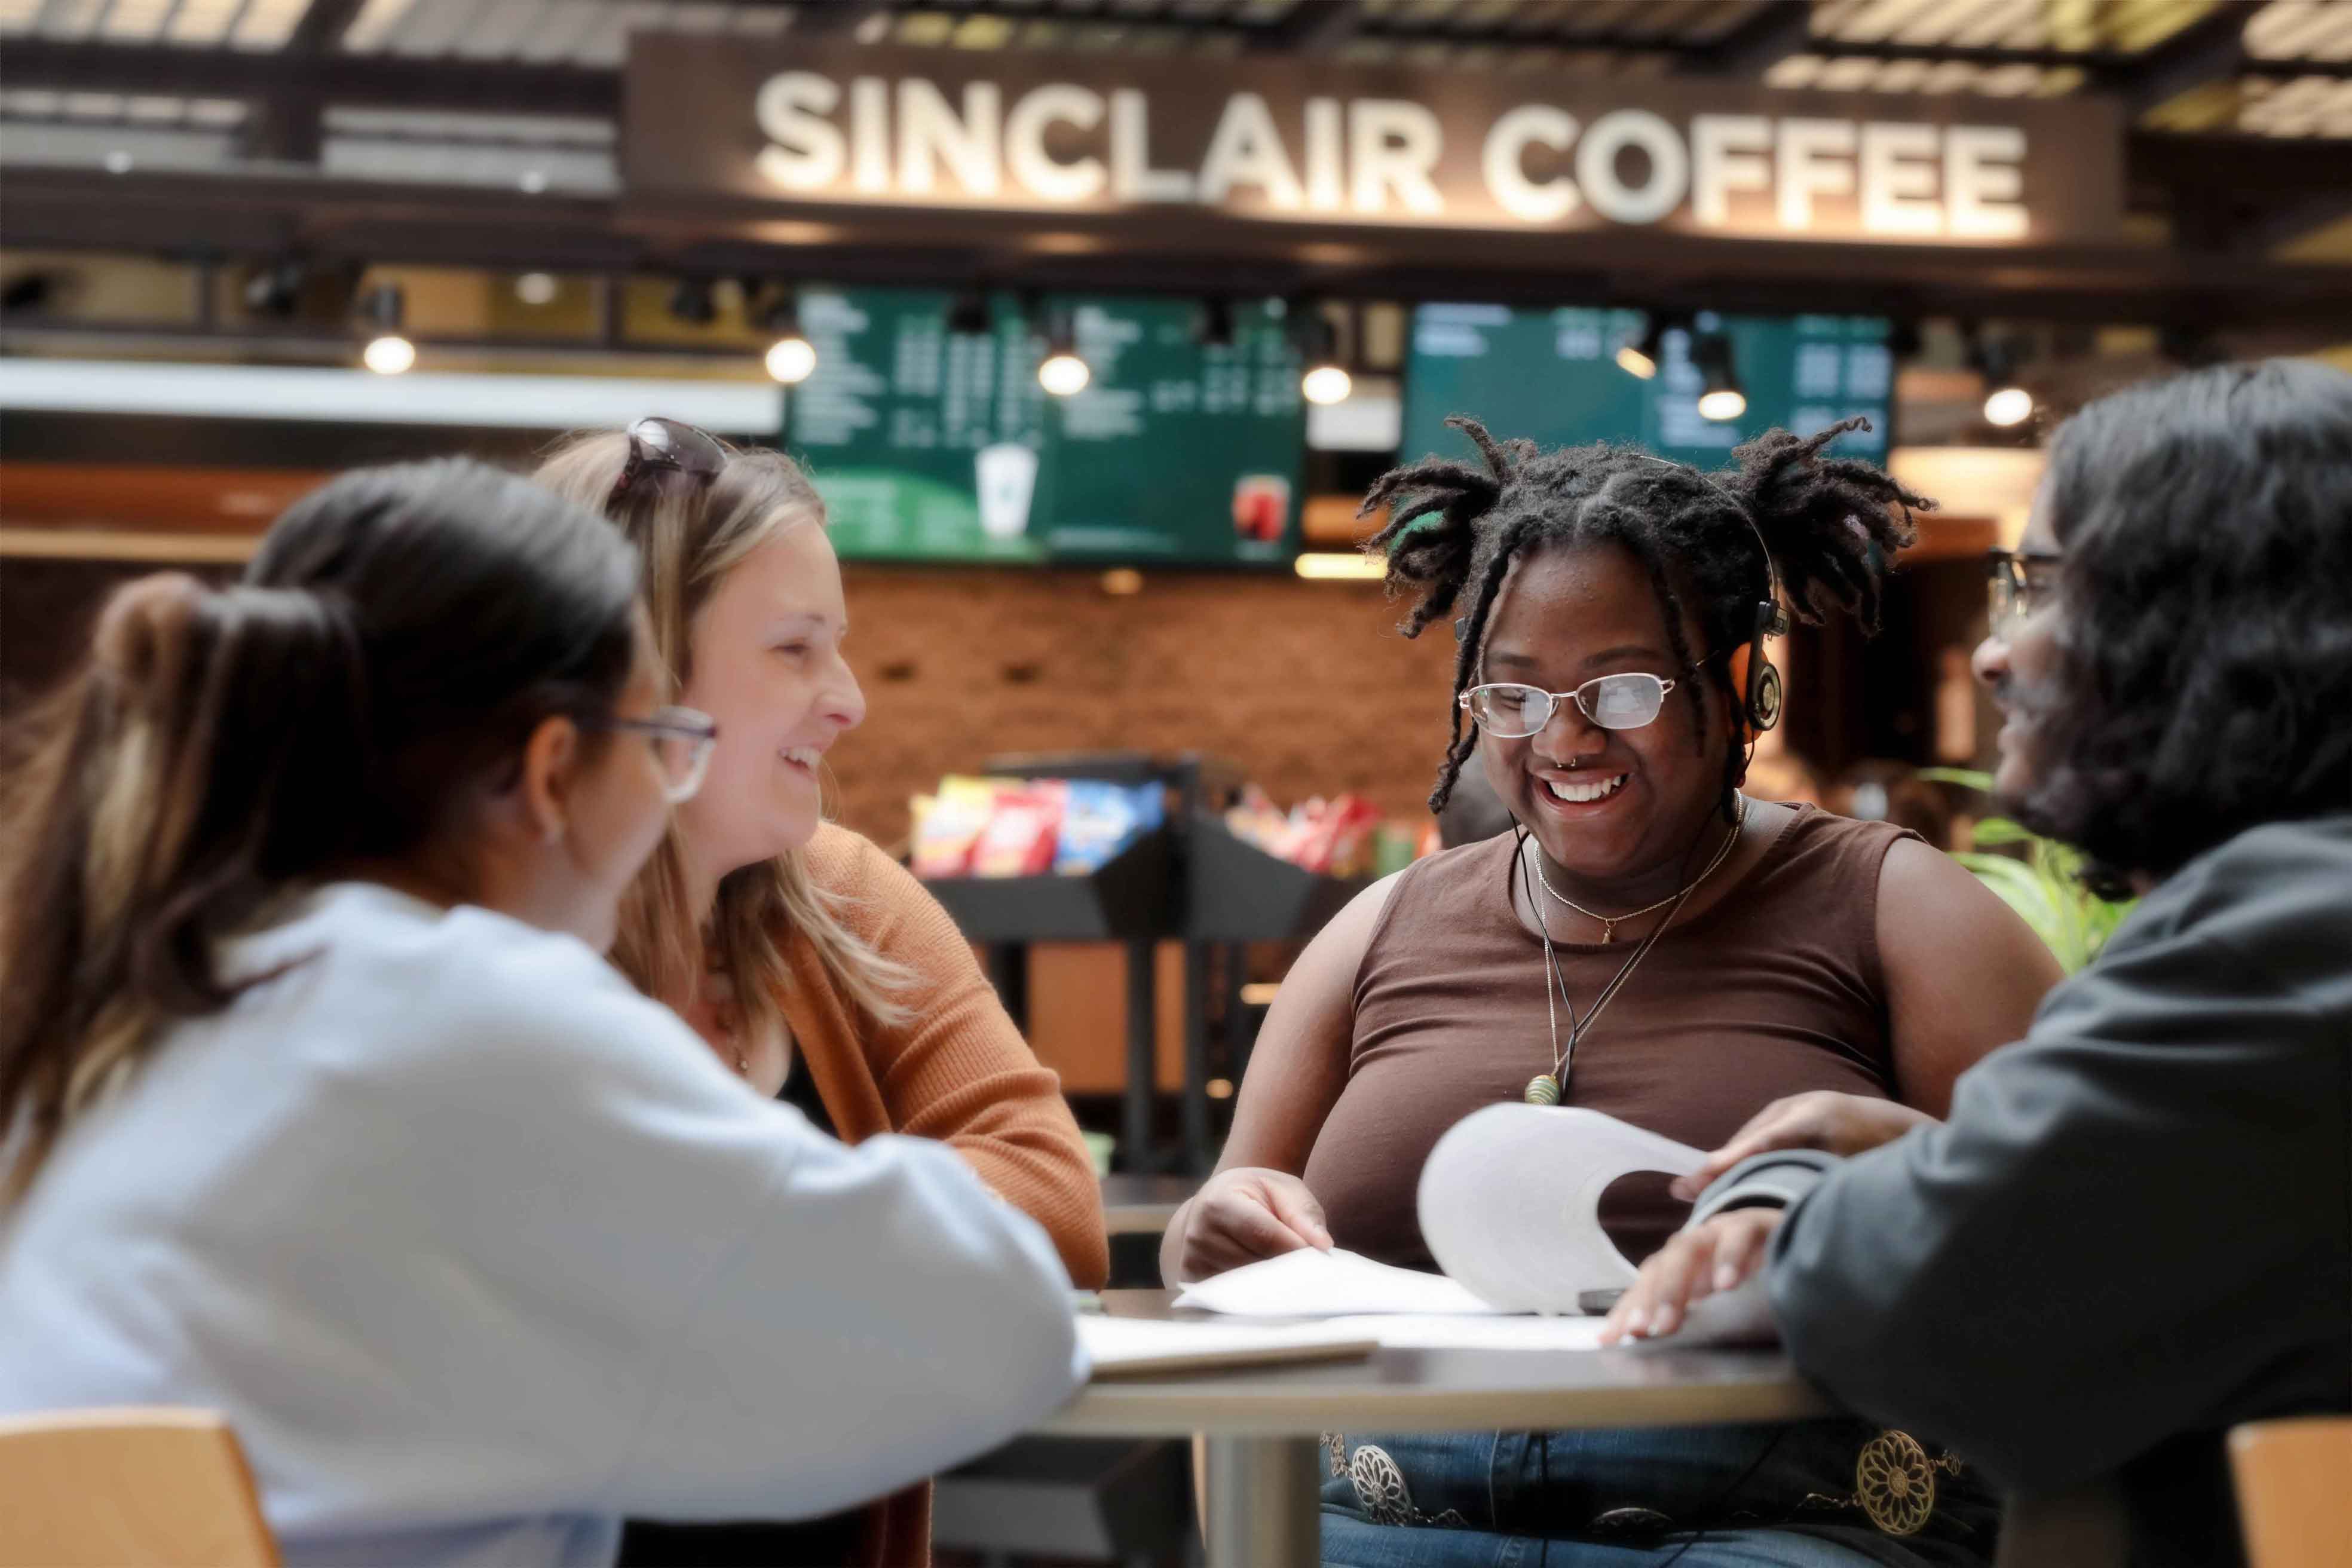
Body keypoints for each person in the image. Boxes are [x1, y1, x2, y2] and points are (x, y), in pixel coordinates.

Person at [0, 461, 1084, 1568]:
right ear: (553, 771)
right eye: (663, 745)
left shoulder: (143, 999)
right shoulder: (466, 1010)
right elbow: (1004, 1328)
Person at [1163, 418, 2064, 1566]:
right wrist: (1215, 1232)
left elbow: (2069, 1259)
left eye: (1623, 689)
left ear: (1743, 680)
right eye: (1514, 696)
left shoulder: (1900, 913)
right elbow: (1228, 1235)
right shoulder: (1375, 934)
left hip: (1770, 1519)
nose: (1567, 738)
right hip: (1384, 1521)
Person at [1605, 359, 2352, 1568]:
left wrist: (1782, 1192)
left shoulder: (2288, 936)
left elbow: (1935, 1309)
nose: (1995, 658)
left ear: (2209, 618)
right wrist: (1950, 1159)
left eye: (2041, 587)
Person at [531, 422, 1106, 1564]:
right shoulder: (475, 933)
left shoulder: (841, 898)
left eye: (839, 648)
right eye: (796, 650)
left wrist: (725, 1242)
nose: (849, 701)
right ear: (637, 665)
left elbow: (1054, 1205)